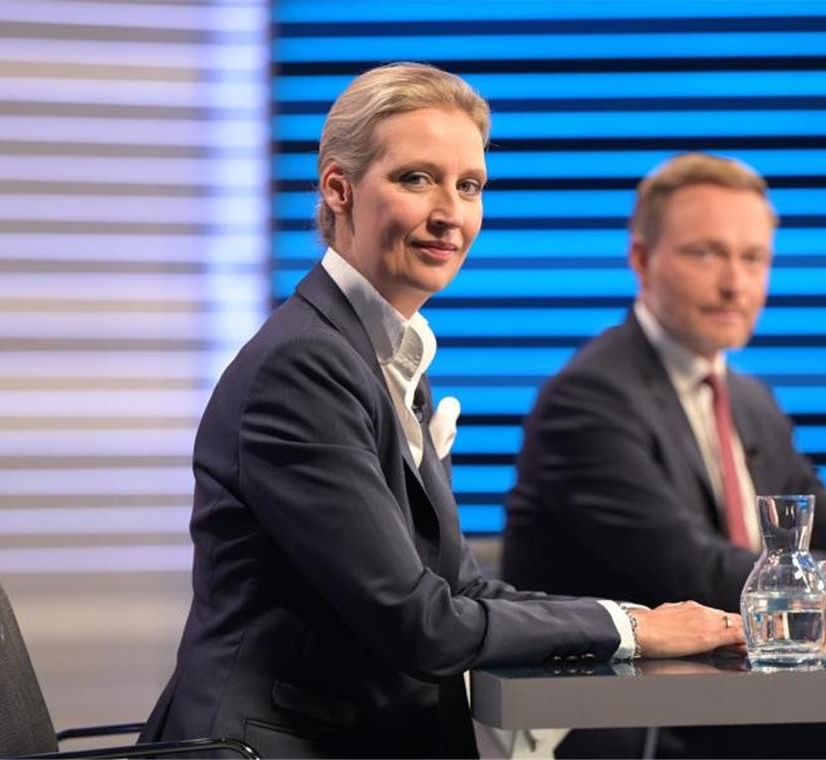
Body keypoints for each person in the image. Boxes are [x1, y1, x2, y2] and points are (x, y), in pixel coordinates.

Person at [139, 66, 743, 759]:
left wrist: (635, 620)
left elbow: (460, 588)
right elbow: (420, 623)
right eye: (416, 179)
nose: (450, 214)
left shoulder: (386, 355)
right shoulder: (304, 367)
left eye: (469, 186)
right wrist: (633, 632)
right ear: (339, 189)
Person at [499, 153, 826, 757]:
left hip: (733, 697)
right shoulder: (591, 397)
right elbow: (697, 574)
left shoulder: (748, 397)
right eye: (706, 253)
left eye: (753, 257)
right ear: (641, 260)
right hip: (627, 719)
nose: (735, 283)